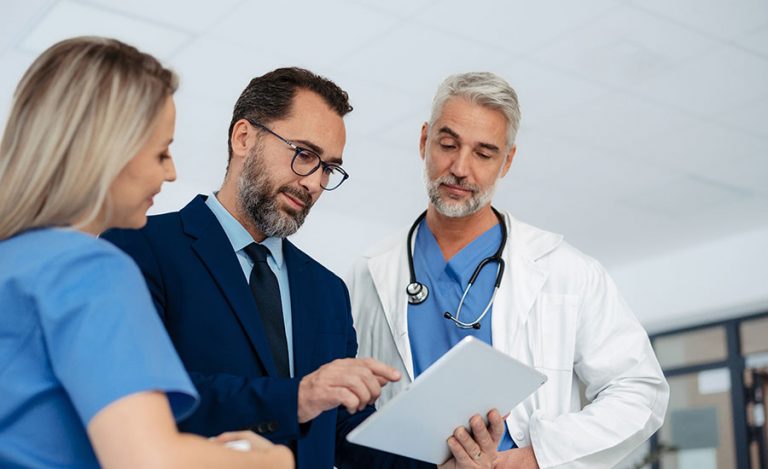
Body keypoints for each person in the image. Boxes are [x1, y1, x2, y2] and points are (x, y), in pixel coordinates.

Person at [102, 67, 499, 468]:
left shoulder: (327, 291)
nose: (313, 183)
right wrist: (299, 397)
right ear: (244, 137)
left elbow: (346, 432)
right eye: (304, 155)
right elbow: (141, 397)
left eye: (328, 168)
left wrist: (440, 465)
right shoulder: (140, 247)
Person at [347, 72, 670, 468]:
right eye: (448, 145)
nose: (461, 168)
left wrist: (538, 457)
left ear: (507, 161)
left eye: (484, 154)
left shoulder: (566, 272)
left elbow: (640, 391)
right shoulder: (366, 276)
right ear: (423, 141)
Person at [0, 37, 292, 468]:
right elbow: (148, 460)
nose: (170, 173)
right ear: (104, 150)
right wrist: (269, 462)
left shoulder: (15, 264)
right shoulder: (89, 268)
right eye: (161, 152)